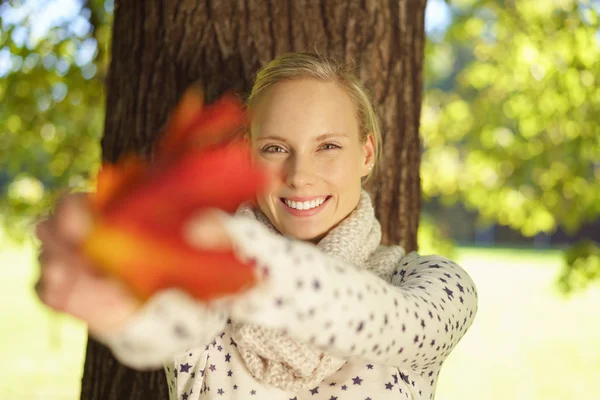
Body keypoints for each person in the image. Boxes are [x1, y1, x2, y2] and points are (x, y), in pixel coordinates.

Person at [35, 52, 478, 400]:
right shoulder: (203, 283)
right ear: (247, 153)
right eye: (275, 148)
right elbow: (168, 321)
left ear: (365, 154)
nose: (300, 174)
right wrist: (125, 305)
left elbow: (383, 321)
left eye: (327, 145)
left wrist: (231, 254)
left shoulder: (433, 285)